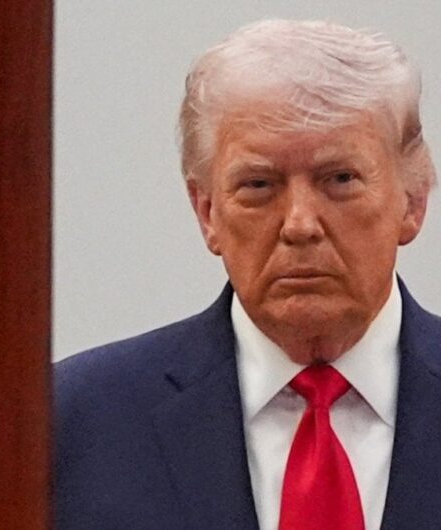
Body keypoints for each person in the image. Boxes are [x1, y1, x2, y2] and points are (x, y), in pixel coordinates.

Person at [53, 19, 441, 530]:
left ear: (413, 201)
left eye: (340, 179)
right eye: (259, 185)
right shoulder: (73, 423)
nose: (299, 224)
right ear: (207, 212)